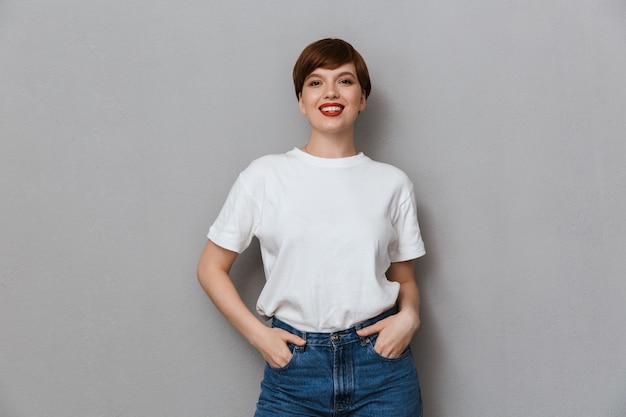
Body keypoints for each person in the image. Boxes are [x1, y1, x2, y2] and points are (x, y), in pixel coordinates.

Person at [197, 38, 426, 416]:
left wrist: (410, 317)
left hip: (383, 370)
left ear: (362, 98)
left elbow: (406, 279)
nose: (331, 92)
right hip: (295, 372)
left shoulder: (392, 183)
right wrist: (260, 337)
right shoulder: (264, 176)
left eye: (345, 81)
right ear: (301, 101)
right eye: (316, 82)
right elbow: (210, 268)